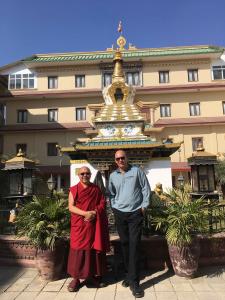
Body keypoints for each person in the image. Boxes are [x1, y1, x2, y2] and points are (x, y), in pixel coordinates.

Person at [108, 150, 151, 298]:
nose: (120, 160)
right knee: (125, 243)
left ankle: (135, 282)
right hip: (120, 213)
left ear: (127, 158)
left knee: (134, 244)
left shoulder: (137, 171)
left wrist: (144, 206)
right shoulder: (113, 176)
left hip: (135, 213)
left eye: (122, 158)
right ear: (115, 161)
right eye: (118, 158)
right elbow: (111, 193)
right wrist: (114, 206)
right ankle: (128, 274)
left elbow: (145, 188)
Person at [67, 166, 110, 292]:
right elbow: (71, 207)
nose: (85, 175)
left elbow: (102, 203)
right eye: (82, 173)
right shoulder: (74, 189)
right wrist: (85, 213)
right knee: (78, 250)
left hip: (93, 224)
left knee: (92, 250)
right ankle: (75, 279)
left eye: (87, 173)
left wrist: (94, 212)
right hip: (80, 224)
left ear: (90, 175)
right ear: (78, 175)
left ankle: (91, 276)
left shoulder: (96, 189)